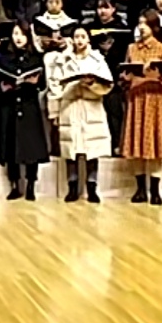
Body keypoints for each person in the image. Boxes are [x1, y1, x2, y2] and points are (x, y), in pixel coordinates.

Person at [50, 24, 113, 202]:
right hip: (70, 106)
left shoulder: (97, 59)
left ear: (88, 39)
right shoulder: (63, 60)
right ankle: (72, 187)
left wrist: (92, 84)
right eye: (76, 37)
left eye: (83, 37)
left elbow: (107, 84)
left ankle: (92, 188)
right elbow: (55, 86)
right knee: (71, 150)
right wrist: (54, 112)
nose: (79, 40)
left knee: (92, 150)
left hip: (91, 107)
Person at [120, 14, 162, 204]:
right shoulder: (131, 48)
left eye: (145, 24)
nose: (142, 27)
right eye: (139, 23)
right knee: (137, 143)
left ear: (154, 27)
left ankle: (155, 190)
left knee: (156, 143)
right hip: (137, 97)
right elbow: (125, 75)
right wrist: (126, 76)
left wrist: (158, 74)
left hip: (156, 98)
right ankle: (140, 189)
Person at [0, 19, 49, 200]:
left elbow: (42, 84)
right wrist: (4, 86)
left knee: (31, 147)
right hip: (9, 104)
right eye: (15, 34)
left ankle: (31, 185)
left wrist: (34, 82)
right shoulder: (4, 57)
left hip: (28, 104)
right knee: (12, 145)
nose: (18, 38)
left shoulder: (36, 58)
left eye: (22, 34)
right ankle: (15, 185)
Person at [86, 0, 130, 146]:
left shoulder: (122, 29)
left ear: (114, 9)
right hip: (94, 75)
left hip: (114, 75)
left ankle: (117, 143)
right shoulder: (90, 28)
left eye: (106, 7)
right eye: (99, 8)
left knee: (114, 110)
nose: (102, 11)